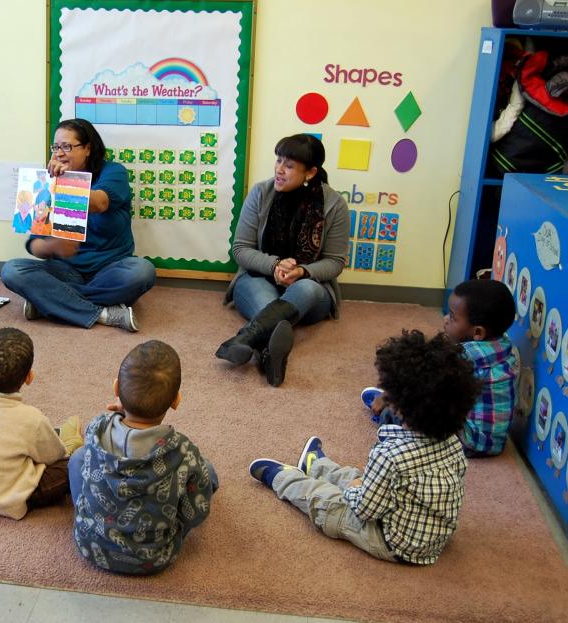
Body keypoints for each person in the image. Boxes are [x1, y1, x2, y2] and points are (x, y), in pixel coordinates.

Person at [249, 330, 480, 565]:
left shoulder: (389, 455)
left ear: (400, 406)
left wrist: (353, 489)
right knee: (363, 478)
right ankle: (317, 465)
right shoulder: (453, 442)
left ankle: (284, 479)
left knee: (327, 502)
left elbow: (364, 511)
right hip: (430, 533)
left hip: (391, 542)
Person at [69, 340, 217, 575]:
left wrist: (121, 413)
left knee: (78, 457)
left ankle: (85, 512)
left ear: (116, 389)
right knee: (205, 468)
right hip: (155, 558)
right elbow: (196, 514)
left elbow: (91, 452)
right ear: (176, 401)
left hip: (90, 544)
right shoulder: (183, 451)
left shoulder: (96, 428)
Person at [216, 134, 348, 386]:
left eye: (288, 166)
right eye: (278, 161)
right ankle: (270, 352)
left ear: (310, 173)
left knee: (308, 288)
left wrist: (301, 272)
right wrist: (274, 265)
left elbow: (335, 262)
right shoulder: (260, 193)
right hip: (259, 279)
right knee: (266, 298)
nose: (279, 170)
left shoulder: (334, 205)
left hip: (307, 294)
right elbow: (241, 249)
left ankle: (245, 338)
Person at [0, 118, 156, 332]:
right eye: (56, 147)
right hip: (66, 270)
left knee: (142, 271)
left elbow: (99, 203)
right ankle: (103, 313)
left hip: (109, 269)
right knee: (12, 270)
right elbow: (34, 245)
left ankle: (50, 301)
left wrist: (63, 182)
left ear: (88, 148)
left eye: (67, 146)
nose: (59, 153)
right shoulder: (45, 183)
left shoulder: (113, 172)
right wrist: (52, 246)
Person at [362, 279, 517, 457]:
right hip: (492, 441)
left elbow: (423, 382)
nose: (445, 320)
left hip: (467, 443)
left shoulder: (464, 355)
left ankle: (391, 425)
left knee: (401, 409)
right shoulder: (502, 344)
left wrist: (389, 395)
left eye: (452, 317)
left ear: (478, 333)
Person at [0, 327, 84, 520]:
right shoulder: (30, 418)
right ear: (29, 377)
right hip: (10, 499)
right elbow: (53, 457)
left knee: (26, 436)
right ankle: (69, 440)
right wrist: (67, 451)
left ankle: (55, 436)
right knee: (78, 462)